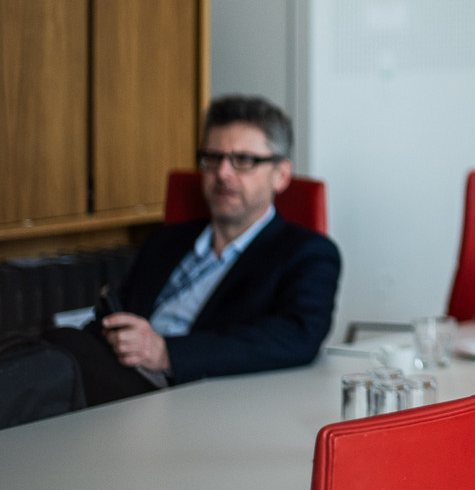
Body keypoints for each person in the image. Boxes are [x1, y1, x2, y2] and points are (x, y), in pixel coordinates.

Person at [45, 94, 341, 406]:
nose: (223, 173)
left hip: (185, 394)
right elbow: (123, 308)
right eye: (213, 158)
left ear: (281, 174)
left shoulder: (308, 253)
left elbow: (298, 337)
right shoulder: (167, 240)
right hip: (115, 369)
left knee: (55, 357)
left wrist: (165, 352)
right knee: (51, 348)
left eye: (243, 160)